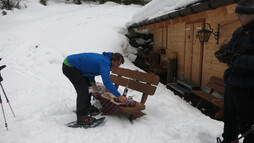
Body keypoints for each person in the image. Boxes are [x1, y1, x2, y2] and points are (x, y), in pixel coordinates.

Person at [214, 0, 254, 142]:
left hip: (248, 89)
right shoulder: (239, 31)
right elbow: (230, 49)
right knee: (229, 119)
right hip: (232, 84)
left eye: (240, 15)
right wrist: (224, 54)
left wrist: (233, 58)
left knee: (247, 126)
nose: (238, 18)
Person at [62, 52, 128, 125]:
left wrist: (92, 83)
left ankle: (86, 107)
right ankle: (81, 118)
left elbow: (90, 70)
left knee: (89, 87)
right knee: (83, 90)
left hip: (76, 67)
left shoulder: (105, 60)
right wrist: (119, 96)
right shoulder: (105, 63)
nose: (118, 67)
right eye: (118, 64)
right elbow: (107, 82)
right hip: (70, 66)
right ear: (113, 61)